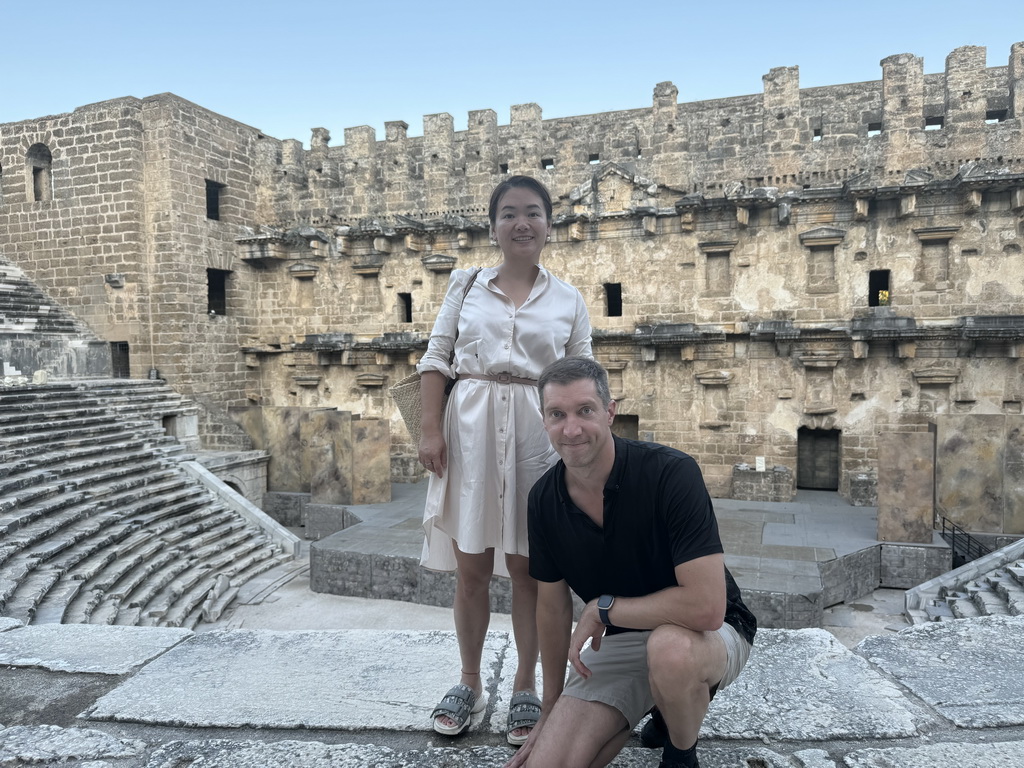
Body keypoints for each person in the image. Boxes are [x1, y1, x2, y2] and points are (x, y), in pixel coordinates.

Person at [506, 357, 757, 768]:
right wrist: (550, 706)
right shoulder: (543, 500)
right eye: (557, 414)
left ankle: (679, 749)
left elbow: (707, 608)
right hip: (621, 640)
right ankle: (659, 704)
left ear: (609, 411)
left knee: (670, 652)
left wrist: (604, 608)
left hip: (706, 632)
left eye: (585, 410)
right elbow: (551, 606)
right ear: (544, 419)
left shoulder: (671, 473)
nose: (571, 429)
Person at [417, 176, 593, 745]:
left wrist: (580, 441)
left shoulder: (569, 299)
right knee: (471, 566)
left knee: (528, 568)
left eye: (534, 213)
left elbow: (583, 375)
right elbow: (436, 357)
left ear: (548, 224)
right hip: (468, 425)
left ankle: (524, 686)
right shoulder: (466, 286)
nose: (523, 223)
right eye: (510, 213)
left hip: (534, 432)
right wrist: (428, 430)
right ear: (492, 225)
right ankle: (469, 681)